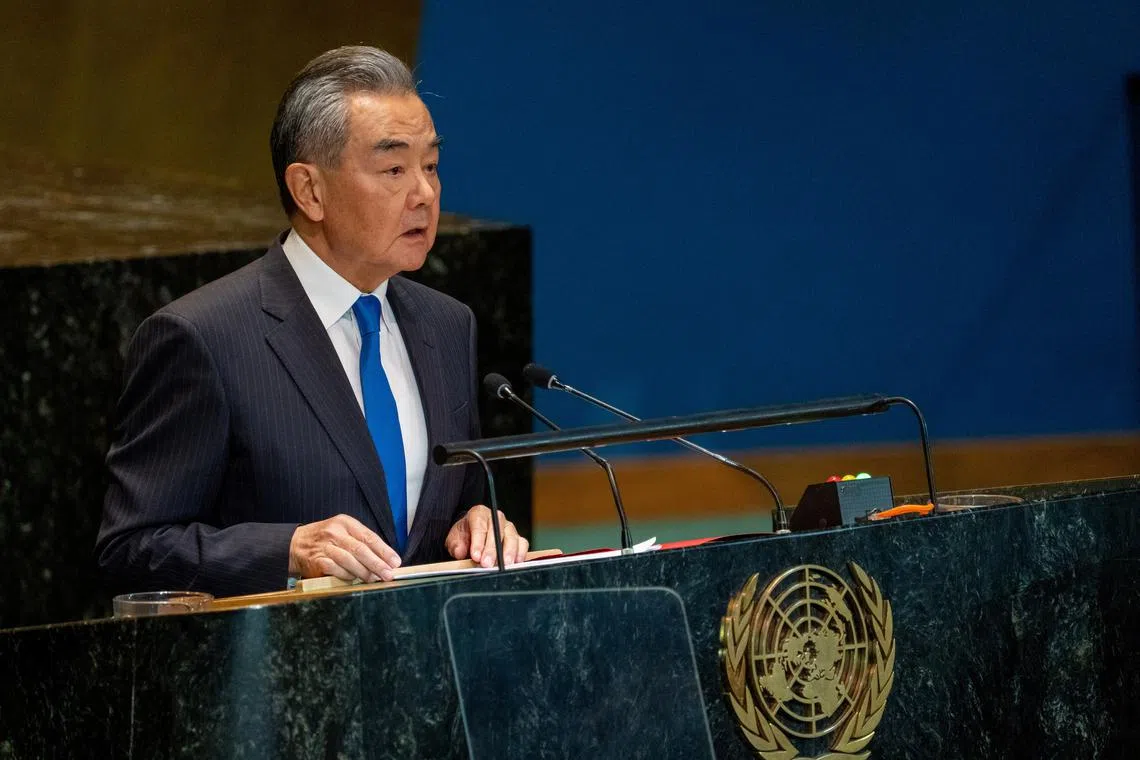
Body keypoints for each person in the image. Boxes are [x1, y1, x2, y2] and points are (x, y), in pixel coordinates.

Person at [96, 45, 527, 597]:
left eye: (432, 166)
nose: (425, 193)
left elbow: (448, 502)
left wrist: (476, 522)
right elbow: (132, 548)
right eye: (394, 168)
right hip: (280, 673)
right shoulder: (202, 338)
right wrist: (290, 551)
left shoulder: (447, 325)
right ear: (310, 191)